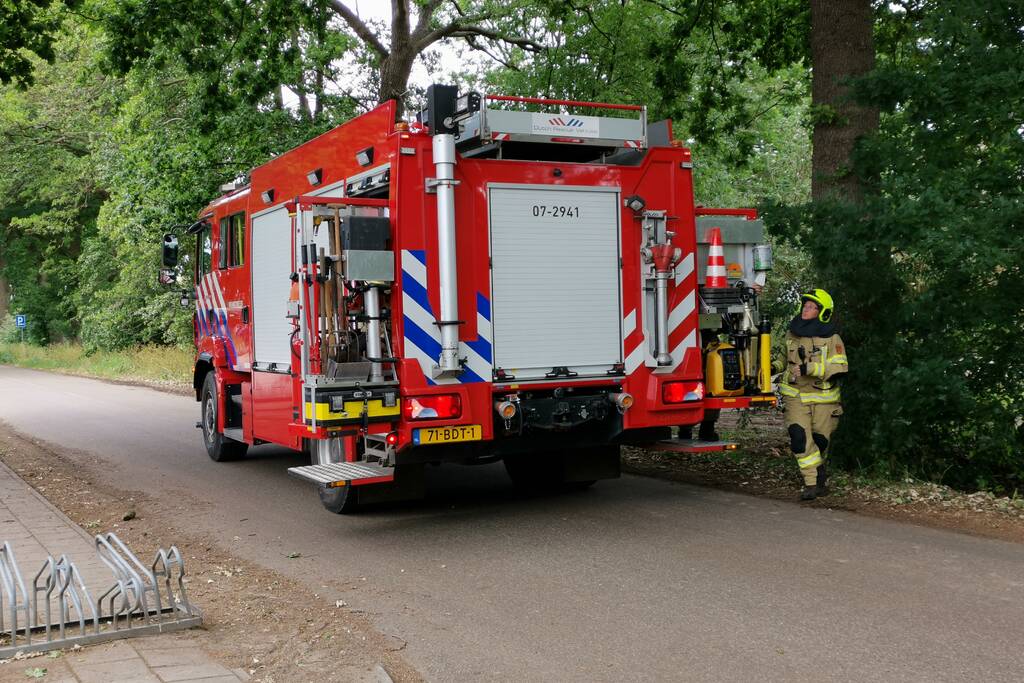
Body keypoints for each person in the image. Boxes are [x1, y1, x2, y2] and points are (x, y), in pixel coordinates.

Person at [779, 289, 848, 501]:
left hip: (824, 400)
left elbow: (840, 367)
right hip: (795, 395)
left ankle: (820, 477)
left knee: (820, 442)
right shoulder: (792, 333)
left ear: (822, 312)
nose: (805, 310)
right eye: (805, 306)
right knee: (799, 438)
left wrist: (811, 368)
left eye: (811, 307)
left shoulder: (832, 338)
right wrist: (773, 365)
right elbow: (783, 358)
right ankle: (811, 482)